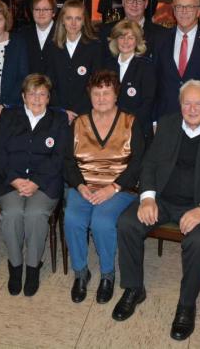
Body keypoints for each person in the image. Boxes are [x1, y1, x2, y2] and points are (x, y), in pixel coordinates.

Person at [113, 80, 200, 341]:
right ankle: (134, 288)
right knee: (127, 223)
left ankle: (186, 304)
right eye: (187, 103)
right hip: (163, 200)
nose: (192, 109)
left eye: (199, 103)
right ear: (180, 104)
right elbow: (148, 165)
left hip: (199, 205)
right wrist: (147, 198)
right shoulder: (168, 125)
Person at [64, 70, 145, 304]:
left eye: (106, 93)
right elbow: (67, 161)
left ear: (116, 95)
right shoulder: (78, 123)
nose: (101, 98)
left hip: (119, 188)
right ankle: (81, 272)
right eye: (96, 93)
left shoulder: (131, 122)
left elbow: (139, 161)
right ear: (90, 95)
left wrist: (114, 188)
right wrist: (79, 186)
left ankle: (107, 274)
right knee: (73, 218)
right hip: (84, 186)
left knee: (102, 221)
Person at [0, 73, 69, 297]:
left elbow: (60, 157)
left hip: (45, 183)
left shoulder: (59, 119)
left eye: (42, 94)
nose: (37, 98)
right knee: (13, 213)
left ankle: (33, 268)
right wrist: (15, 179)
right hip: (10, 181)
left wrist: (36, 182)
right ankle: (15, 267)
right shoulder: (8, 116)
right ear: (23, 96)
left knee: (35, 215)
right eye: (32, 93)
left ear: (48, 97)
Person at [153, 0, 200, 120]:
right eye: (179, 6)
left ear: (198, 11)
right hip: (166, 117)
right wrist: (154, 120)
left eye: (189, 7)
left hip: (198, 117)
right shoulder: (160, 39)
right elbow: (154, 83)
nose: (184, 11)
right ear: (173, 10)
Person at [45, 0, 103, 122]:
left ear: (84, 21)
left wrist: (79, 110)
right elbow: (49, 82)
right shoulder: (52, 47)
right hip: (58, 112)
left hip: (86, 112)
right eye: (69, 18)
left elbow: (96, 82)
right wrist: (62, 110)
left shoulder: (95, 47)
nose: (73, 23)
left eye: (78, 18)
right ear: (62, 21)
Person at [103, 19, 156, 140]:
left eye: (131, 38)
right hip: (109, 128)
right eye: (121, 37)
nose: (125, 42)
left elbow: (148, 101)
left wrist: (128, 124)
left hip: (137, 129)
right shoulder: (107, 65)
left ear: (137, 41)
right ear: (115, 40)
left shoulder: (146, 66)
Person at [97, 0, 165, 59]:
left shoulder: (160, 34)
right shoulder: (106, 31)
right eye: (130, 0)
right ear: (123, 2)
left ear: (146, 4)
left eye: (139, 1)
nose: (134, 4)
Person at [17, 0, 56, 75]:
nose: (41, 13)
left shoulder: (63, 33)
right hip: (29, 85)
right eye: (37, 9)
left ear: (53, 12)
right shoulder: (22, 34)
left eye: (45, 9)